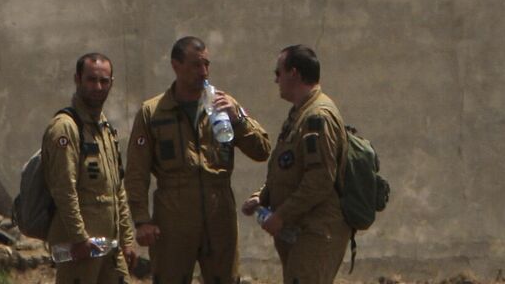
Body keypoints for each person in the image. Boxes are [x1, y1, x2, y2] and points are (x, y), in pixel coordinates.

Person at [126, 37, 271, 284]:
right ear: (176, 65)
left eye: (206, 64)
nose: (203, 72)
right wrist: (141, 220)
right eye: (195, 65)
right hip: (174, 217)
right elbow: (136, 172)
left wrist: (238, 119)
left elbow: (262, 150)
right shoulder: (153, 112)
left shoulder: (224, 105)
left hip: (219, 213)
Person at [241, 45, 349, 284]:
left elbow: (320, 179)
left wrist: (281, 215)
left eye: (278, 73)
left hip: (317, 231)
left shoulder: (316, 117)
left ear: (294, 73)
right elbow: (289, 170)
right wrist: (263, 197)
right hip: (299, 231)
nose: (275, 80)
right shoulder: (298, 115)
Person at [46, 53, 139, 284]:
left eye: (104, 81)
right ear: (77, 79)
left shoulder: (105, 128)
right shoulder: (66, 128)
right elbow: (64, 189)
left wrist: (127, 239)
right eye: (91, 80)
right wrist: (79, 238)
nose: (98, 87)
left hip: (110, 246)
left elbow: (117, 189)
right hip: (82, 248)